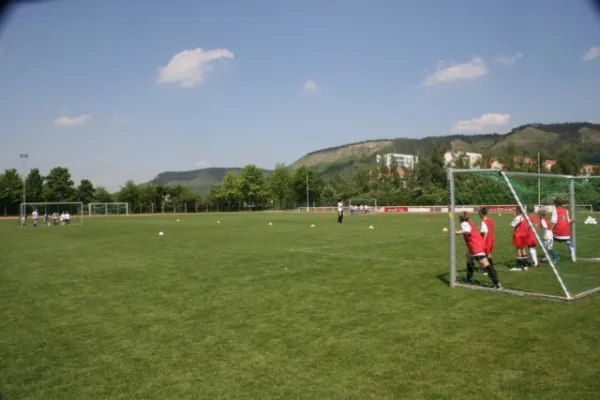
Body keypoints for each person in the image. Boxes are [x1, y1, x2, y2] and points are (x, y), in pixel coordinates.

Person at [455, 211, 502, 289]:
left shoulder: (464, 223)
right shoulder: (469, 222)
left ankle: (497, 284)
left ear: (460, 218)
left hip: (476, 246)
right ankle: (469, 278)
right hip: (479, 243)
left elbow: (467, 230)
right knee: (469, 257)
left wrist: (457, 232)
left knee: (486, 264)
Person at [478, 207, 495, 275]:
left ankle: (485, 269)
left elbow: (485, 232)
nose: (479, 215)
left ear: (482, 214)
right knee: (488, 254)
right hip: (491, 239)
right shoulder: (490, 220)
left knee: (483, 255)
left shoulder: (483, 222)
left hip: (486, 240)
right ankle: (491, 268)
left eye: (479, 214)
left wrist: (482, 241)